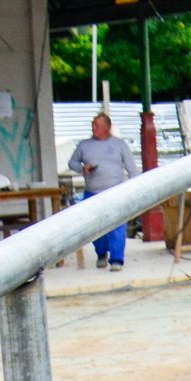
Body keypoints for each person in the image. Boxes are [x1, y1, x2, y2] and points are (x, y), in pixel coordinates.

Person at [66, 113, 140, 270]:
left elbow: (131, 168)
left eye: (97, 125)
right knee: (95, 227)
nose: (93, 128)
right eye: (92, 125)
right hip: (92, 192)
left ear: (107, 127)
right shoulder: (84, 145)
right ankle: (101, 253)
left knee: (117, 225)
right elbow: (72, 163)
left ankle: (116, 260)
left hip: (116, 192)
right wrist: (82, 168)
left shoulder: (119, 145)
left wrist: (135, 188)